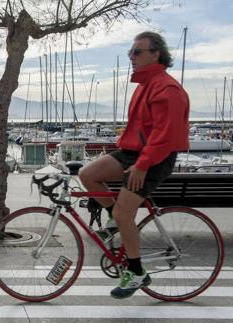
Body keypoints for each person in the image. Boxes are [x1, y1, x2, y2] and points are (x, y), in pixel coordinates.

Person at [79, 31, 189, 299]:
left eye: (137, 52)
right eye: (131, 52)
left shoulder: (168, 88)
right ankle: (115, 221)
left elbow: (165, 136)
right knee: (87, 174)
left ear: (156, 54)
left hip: (154, 158)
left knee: (123, 213)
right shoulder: (144, 86)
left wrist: (142, 165)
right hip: (132, 152)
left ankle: (137, 271)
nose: (132, 56)